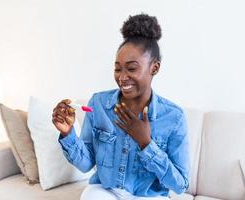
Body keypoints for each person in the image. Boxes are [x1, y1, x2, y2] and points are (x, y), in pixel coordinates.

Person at [52, 13, 190, 200]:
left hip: (148, 196)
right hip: (105, 191)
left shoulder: (174, 118)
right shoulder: (98, 104)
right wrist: (68, 134)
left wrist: (146, 144)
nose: (122, 77)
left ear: (155, 68)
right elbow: (86, 164)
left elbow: (180, 184)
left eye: (131, 68)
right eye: (118, 68)